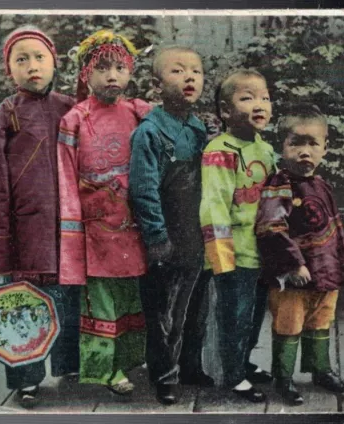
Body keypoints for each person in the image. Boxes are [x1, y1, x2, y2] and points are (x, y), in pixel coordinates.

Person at [0, 25, 80, 407]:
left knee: (69, 295)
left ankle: (70, 365)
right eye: (22, 59)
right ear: (9, 70)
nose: (32, 66)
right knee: (25, 301)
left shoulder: (71, 108)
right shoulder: (2, 116)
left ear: (54, 62)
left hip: (69, 224)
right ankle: (27, 378)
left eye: (39, 57)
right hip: (27, 227)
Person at [57, 30, 152, 396]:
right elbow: (66, 177)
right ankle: (105, 369)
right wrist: (74, 223)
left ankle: (128, 360)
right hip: (95, 224)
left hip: (131, 223)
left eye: (120, 68)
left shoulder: (139, 112)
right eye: (102, 69)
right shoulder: (75, 119)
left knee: (129, 293)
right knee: (100, 299)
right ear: (85, 74)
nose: (112, 76)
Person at [255, 103, 344, 405]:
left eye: (312, 143)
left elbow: (333, 229)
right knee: (289, 324)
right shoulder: (280, 185)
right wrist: (293, 264)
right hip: (294, 276)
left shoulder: (322, 185)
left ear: (325, 148)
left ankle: (320, 370)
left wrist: (339, 264)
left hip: (325, 271)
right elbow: (271, 226)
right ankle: (283, 378)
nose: (305, 151)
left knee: (321, 320)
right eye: (296, 142)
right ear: (282, 146)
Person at [129, 46, 213, 405]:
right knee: (165, 313)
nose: (189, 77)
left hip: (196, 232)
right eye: (178, 71)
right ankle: (164, 375)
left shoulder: (199, 129)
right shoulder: (150, 132)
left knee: (196, 306)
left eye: (195, 71)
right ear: (156, 85)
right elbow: (143, 189)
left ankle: (191, 366)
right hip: (166, 236)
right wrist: (157, 237)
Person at [199, 69, 276, 403]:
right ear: (225, 112)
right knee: (235, 314)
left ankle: (243, 362)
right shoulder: (221, 150)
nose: (259, 104)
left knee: (256, 312)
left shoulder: (265, 148)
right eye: (247, 98)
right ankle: (232, 374)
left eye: (264, 97)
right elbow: (214, 203)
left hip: (263, 249)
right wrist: (220, 256)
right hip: (235, 252)